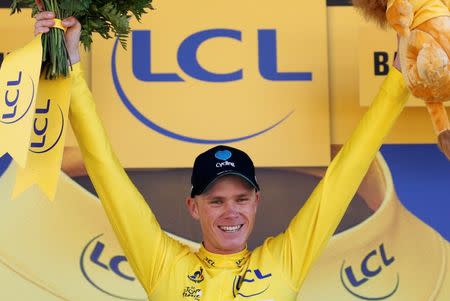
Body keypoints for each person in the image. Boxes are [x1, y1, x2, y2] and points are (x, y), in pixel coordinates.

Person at [34, 10, 409, 300]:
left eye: (241, 198)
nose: (231, 212)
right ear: (193, 206)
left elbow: (345, 176)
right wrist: (70, 66)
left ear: (256, 201)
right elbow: (106, 172)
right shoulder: (163, 263)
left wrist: (397, 82)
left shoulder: (281, 263)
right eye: (216, 200)